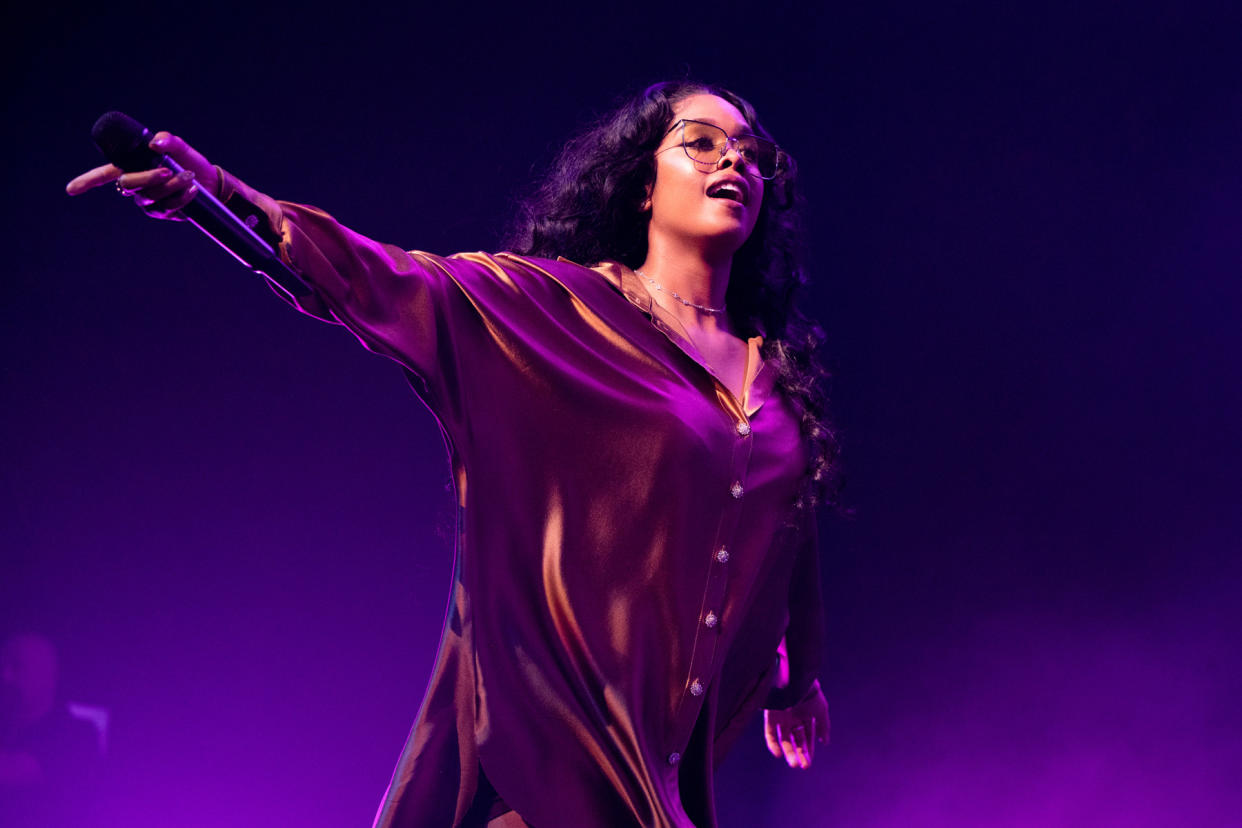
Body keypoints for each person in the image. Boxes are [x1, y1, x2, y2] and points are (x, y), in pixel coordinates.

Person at [67, 81, 836, 828]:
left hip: (660, 786)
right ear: (641, 186)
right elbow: (381, 279)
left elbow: (788, 536)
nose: (733, 161)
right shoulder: (556, 311)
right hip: (549, 764)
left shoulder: (774, 382)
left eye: (749, 152)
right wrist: (217, 199)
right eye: (700, 144)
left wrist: (797, 679)